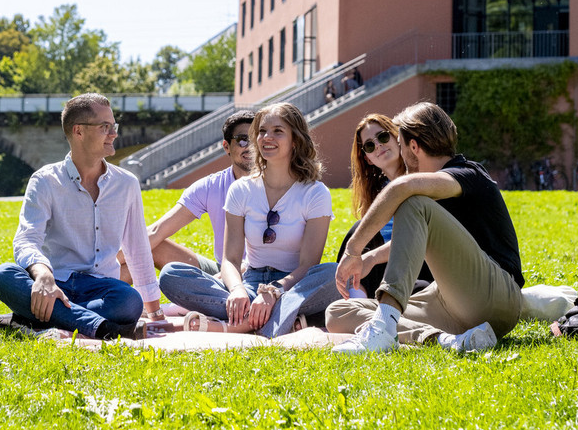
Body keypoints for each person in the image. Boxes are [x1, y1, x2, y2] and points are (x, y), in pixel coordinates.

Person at [328, 102, 525, 354]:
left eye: (400, 146)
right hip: (454, 305)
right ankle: (445, 340)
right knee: (339, 312)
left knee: (412, 202)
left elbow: (402, 188)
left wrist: (353, 250)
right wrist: (370, 258)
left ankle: (384, 328)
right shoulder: (435, 191)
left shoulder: (468, 174)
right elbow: (414, 237)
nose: (400, 155)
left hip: (498, 298)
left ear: (413, 147)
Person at [0, 93, 161, 340]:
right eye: (105, 127)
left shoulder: (127, 184)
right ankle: (100, 327)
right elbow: (26, 239)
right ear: (78, 131)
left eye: (114, 126)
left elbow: (137, 248)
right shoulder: (45, 181)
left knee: (129, 302)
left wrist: (154, 311)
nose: (114, 134)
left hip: (102, 290)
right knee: (3, 275)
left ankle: (34, 319)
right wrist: (43, 274)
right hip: (54, 282)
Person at [159, 102, 340, 337]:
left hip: (293, 286)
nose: (267, 137)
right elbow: (230, 259)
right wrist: (237, 290)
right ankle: (272, 319)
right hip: (250, 283)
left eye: (277, 131)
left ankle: (242, 323)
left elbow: (308, 264)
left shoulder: (315, 193)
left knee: (333, 274)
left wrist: (273, 292)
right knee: (171, 274)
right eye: (262, 131)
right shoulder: (241, 189)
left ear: (295, 140)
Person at [119, 110, 255, 281]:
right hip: (224, 269)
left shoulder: (278, 185)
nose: (251, 146)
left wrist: (228, 277)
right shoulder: (211, 186)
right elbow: (156, 231)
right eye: (243, 140)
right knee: (152, 245)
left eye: (256, 139)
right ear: (226, 147)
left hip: (265, 273)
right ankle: (99, 288)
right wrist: (104, 266)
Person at [335, 113, 433, 298]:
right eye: (370, 145)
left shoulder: (422, 179)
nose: (378, 145)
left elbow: (420, 236)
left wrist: (372, 258)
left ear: (397, 137)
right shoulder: (377, 193)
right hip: (385, 268)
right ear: (368, 158)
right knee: (358, 231)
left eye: (382, 136)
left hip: (422, 262)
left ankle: (360, 305)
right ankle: (356, 301)